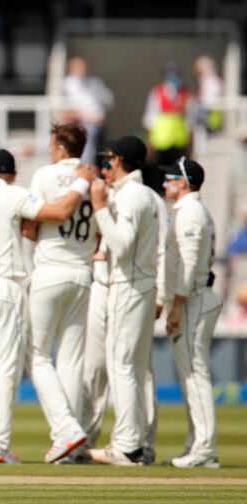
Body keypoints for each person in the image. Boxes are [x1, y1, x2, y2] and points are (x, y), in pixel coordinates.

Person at [0, 149, 94, 464]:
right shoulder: (14, 195)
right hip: (5, 285)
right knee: (7, 370)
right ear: (12, 175)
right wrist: (80, 185)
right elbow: (58, 213)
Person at [25, 123, 95, 463]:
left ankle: (66, 429)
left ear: (60, 148)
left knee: (37, 356)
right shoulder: (92, 180)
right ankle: (72, 445)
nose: (49, 149)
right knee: (71, 360)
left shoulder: (45, 175)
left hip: (50, 270)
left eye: (52, 144)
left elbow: (29, 225)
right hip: (83, 273)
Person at [87, 136, 158, 466]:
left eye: (109, 160)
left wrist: (100, 207)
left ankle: (128, 446)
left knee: (123, 367)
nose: (106, 166)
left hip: (128, 286)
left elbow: (122, 243)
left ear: (120, 161)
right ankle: (138, 444)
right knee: (133, 366)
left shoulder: (131, 197)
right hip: (141, 286)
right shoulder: (144, 195)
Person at [162, 157, 222, 468]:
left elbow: (187, 264)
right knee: (190, 375)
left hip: (194, 299)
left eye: (170, 178)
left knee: (195, 375)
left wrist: (176, 307)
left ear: (184, 182)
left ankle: (205, 449)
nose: (164, 183)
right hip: (196, 298)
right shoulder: (191, 211)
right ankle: (196, 442)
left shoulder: (191, 213)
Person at [62, 57, 114, 164]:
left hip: (97, 126)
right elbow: (66, 109)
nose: (83, 69)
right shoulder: (67, 84)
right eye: (79, 67)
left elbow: (109, 100)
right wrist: (85, 117)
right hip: (79, 124)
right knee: (85, 152)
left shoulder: (94, 82)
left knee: (100, 154)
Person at [142, 63, 191, 166]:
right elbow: (149, 118)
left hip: (179, 142)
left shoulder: (185, 93)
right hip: (161, 142)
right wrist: (150, 142)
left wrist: (189, 142)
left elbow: (189, 119)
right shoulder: (157, 92)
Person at [193, 55, 224, 133]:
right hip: (210, 116)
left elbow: (211, 99)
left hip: (211, 117)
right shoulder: (209, 79)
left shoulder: (210, 80)